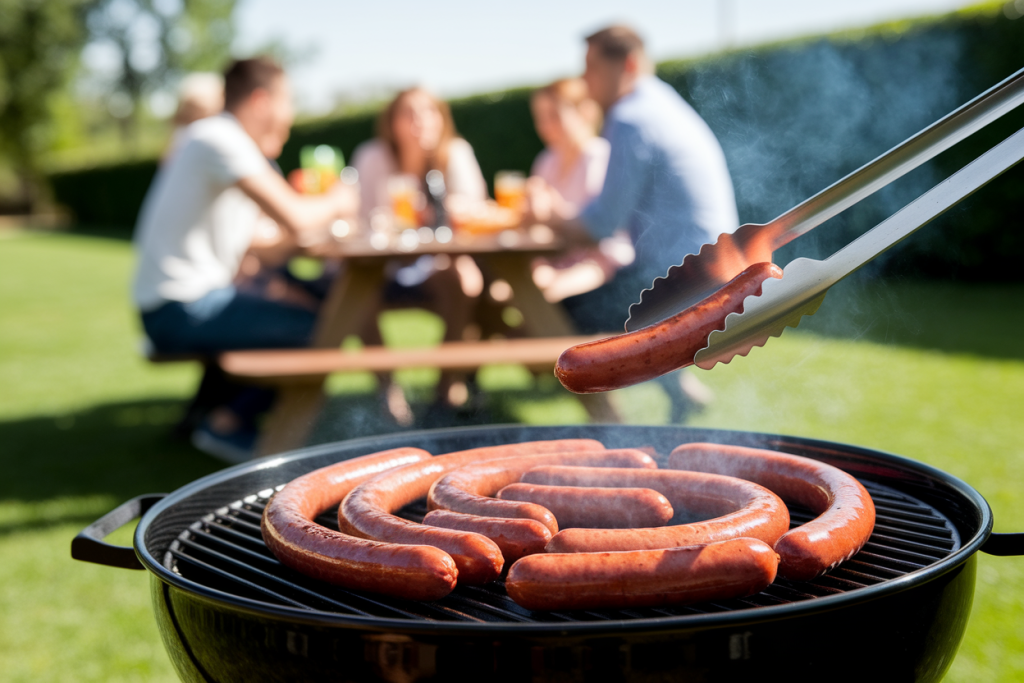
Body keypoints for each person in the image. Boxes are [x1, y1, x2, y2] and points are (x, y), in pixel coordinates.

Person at [133, 56, 358, 462]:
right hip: (181, 308)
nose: (291, 113)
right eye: (287, 100)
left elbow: (265, 245)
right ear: (260, 101)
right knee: (321, 330)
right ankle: (229, 424)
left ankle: (220, 415)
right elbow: (296, 217)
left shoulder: (210, 139)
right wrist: (340, 198)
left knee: (316, 312)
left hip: (178, 303)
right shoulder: (221, 138)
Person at [527, 25, 745, 418]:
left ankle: (608, 422)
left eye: (592, 68)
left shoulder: (630, 118)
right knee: (606, 300)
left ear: (627, 64)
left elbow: (600, 226)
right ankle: (679, 391)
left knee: (566, 306)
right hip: (709, 261)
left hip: (685, 272)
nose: (585, 80)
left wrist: (546, 216)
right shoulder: (661, 103)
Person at [351, 87, 488, 417]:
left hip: (436, 264)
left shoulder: (455, 153)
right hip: (383, 265)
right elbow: (358, 219)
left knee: (466, 279)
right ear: (392, 123)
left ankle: (447, 383)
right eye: (408, 113)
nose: (420, 121)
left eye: (428, 112)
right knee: (354, 290)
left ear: (442, 119)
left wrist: (451, 209)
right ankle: (388, 390)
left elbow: (476, 212)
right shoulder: (373, 157)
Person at [526, 77, 634, 303]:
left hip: (600, 263)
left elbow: (603, 231)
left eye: (554, 116)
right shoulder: (546, 161)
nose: (545, 126)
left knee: (537, 298)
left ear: (583, 112)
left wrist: (554, 213)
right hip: (557, 258)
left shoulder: (598, 157)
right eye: (540, 118)